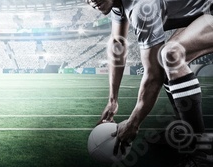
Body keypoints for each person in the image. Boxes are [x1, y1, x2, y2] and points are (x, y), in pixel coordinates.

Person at [86, 0, 213, 164]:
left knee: (171, 54)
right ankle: (186, 130)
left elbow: (154, 76)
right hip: (205, 12)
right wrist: (112, 99)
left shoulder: (141, 8)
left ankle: (202, 152)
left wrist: (134, 123)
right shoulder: (118, 4)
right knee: (165, 57)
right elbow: (118, 44)